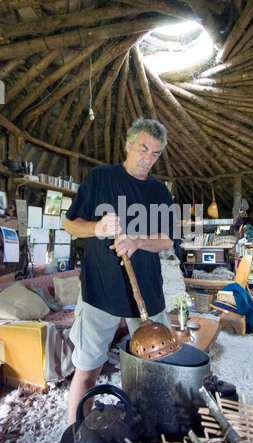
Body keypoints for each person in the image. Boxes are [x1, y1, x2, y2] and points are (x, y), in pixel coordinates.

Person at [64, 118, 176, 425]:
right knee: (87, 371)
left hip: (147, 294)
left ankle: (149, 431)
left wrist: (139, 240)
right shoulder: (99, 178)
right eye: (143, 149)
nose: (148, 159)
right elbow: (70, 224)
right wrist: (98, 227)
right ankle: (76, 435)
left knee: (156, 370)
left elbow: (168, 239)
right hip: (99, 291)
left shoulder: (159, 191)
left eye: (155, 154)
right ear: (128, 144)